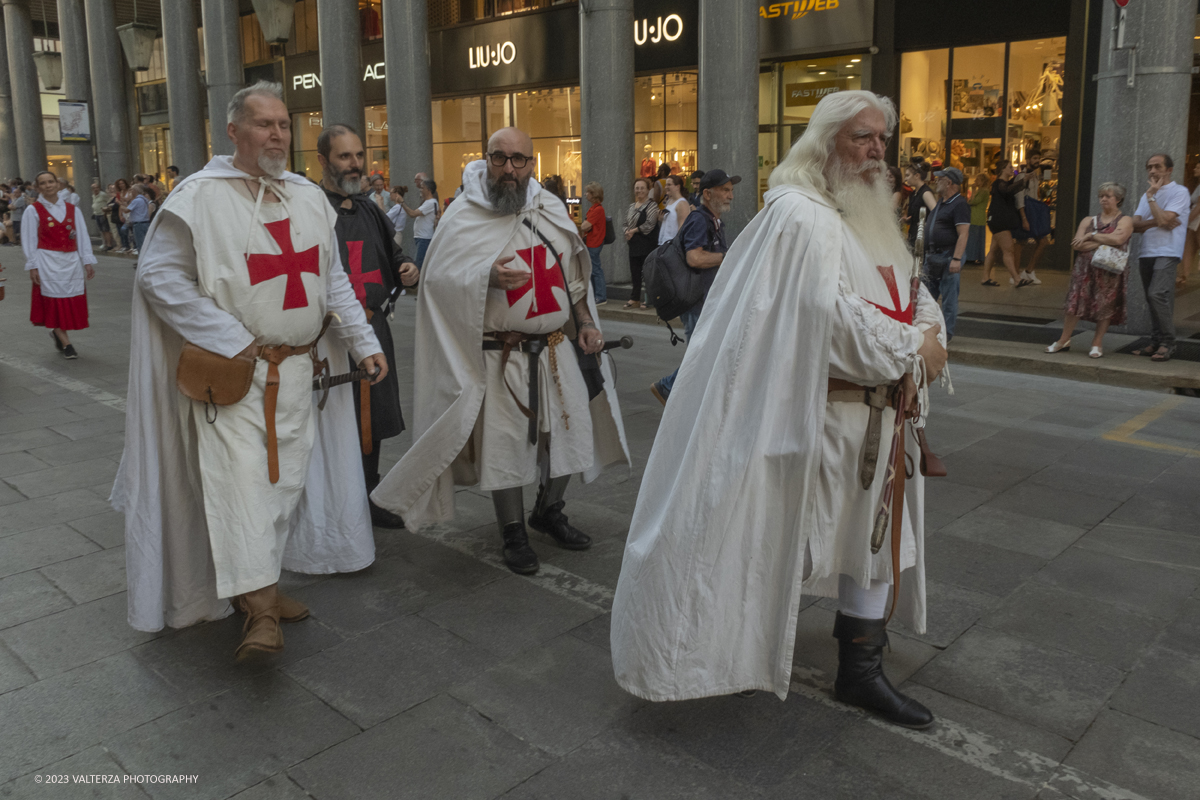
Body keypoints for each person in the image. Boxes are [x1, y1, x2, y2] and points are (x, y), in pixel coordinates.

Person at [610, 91, 948, 728]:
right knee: (780, 536)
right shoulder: (799, 215)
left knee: (871, 539)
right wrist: (914, 350)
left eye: (882, 139)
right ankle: (727, 646)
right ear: (825, 144)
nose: (877, 151)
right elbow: (831, 321)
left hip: (881, 418)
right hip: (815, 417)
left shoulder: (870, 214)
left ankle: (862, 669)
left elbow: (911, 291)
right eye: (861, 138)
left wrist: (931, 336)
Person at [112, 80, 387, 657]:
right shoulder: (198, 199)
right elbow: (158, 278)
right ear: (233, 131)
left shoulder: (306, 198)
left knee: (282, 488)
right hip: (234, 378)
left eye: (284, 124)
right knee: (241, 490)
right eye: (264, 124)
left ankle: (259, 586)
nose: (277, 134)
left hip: (298, 375)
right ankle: (260, 613)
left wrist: (362, 341)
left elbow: (331, 277)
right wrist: (233, 339)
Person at [369, 127, 629, 576]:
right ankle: (512, 530)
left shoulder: (548, 208)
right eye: (500, 158)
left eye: (519, 160)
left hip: (553, 349)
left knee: (570, 435)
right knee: (505, 445)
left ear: (533, 165)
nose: (509, 169)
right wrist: (484, 274)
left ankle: (548, 510)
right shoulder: (464, 215)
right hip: (500, 355)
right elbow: (436, 280)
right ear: (486, 159)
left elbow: (574, 278)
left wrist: (585, 322)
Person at [318, 124, 420, 526]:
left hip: (373, 328)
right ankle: (335, 501)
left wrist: (405, 268)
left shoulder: (368, 209)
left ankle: (369, 494)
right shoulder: (312, 208)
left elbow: (391, 254)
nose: (355, 164)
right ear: (324, 160)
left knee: (371, 418)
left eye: (358, 155)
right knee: (332, 418)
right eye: (345, 156)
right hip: (328, 337)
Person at [649, 169, 735, 406]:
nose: (731, 195)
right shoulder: (699, 220)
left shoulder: (714, 221)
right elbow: (694, 258)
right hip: (696, 300)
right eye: (725, 190)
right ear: (707, 193)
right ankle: (668, 387)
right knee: (702, 354)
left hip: (705, 299)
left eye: (731, 190)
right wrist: (728, 257)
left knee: (705, 352)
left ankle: (682, 394)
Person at [1046, 183, 1133, 359]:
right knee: (1074, 303)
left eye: (1108, 196)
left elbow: (1120, 238)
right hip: (1085, 268)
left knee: (1105, 305)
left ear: (1118, 199)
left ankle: (1097, 343)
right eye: (1101, 196)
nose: (1104, 199)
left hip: (1109, 270)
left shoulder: (1125, 220)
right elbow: (1078, 244)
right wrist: (1103, 240)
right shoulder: (1088, 220)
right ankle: (1064, 340)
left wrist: (1091, 236)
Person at [22, 170, 96, 359]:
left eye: (51, 182)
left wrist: (87, 260)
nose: (48, 186)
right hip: (47, 261)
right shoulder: (33, 210)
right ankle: (66, 343)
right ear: (38, 187)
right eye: (43, 183)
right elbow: (29, 239)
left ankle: (58, 332)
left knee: (69, 297)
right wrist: (33, 265)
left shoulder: (73, 209)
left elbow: (82, 236)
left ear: (57, 184)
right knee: (53, 300)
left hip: (70, 261)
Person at [1130, 152, 1189, 362]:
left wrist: (1152, 198)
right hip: (1146, 251)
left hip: (1168, 250)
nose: (1153, 171)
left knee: (1157, 294)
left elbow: (1166, 220)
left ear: (1169, 170)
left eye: (1157, 167)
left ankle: (1168, 342)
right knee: (1151, 299)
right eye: (1149, 167)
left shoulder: (1179, 192)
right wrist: (1156, 221)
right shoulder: (1144, 195)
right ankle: (1155, 341)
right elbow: (1134, 226)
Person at [923, 167, 970, 341]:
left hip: (948, 256)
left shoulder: (959, 204)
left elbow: (963, 233)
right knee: (926, 295)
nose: (935, 181)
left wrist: (956, 259)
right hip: (934, 256)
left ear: (949, 182)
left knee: (949, 297)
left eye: (939, 178)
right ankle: (927, 328)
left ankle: (947, 333)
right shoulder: (942, 203)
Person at [980, 160, 1030, 288]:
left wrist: (1023, 179)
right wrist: (1022, 181)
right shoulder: (998, 183)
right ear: (1002, 169)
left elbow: (1012, 187)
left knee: (993, 250)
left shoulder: (1004, 183)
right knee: (1008, 250)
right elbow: (1007, 190)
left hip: (996, 221)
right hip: (999, 221)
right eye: (1009, 167)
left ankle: (985, 277)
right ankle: (1016, 278)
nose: (1012, 169)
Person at [623, 177, 658, 309]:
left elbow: (650, 224)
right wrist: (626, 231)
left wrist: (633, 231)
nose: (639, 191)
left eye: (642, 188)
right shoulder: (631, 206)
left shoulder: (652, 205)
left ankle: (649, 299)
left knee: (648, 273)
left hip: (647, 244)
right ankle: (634, 298)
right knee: (635, 272)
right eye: (637, 188)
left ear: (648, 190)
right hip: (633, 244)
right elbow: (625, 223)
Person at [1014, 163, 1051, 285]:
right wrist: (1023, 217)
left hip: (1033, 213)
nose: (1037, 161)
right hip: (1025, 213)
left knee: (1043, 241)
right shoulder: (1022, 177)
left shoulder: (1035, 176)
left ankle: (1029, 270)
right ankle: (1016, 274)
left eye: (1038, 158)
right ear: (1028, 159)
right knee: (1021, 242)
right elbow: (1019, 197)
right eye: (1035, 158)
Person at [399, 178, 439, 270]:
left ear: (428, 190)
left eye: (422, 188)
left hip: (424, 238)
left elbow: (412, 213)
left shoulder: (430, 202)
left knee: (419, 265)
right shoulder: (428, 202)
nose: (420, 190)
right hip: (422, 238)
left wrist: (402, 202)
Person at [580, 181, 607, 305]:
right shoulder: (595, 209)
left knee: (595, 269)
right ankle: (595, 295)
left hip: (594, 242)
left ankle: (600, 296)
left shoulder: (597, 210)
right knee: (593, 269)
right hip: (592, 242)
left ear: (593, 194)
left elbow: (585, 225)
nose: (586, 194)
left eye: (588, 192)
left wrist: (583, 226)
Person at [902, 157, 936, 250]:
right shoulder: (914, 193)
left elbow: (936, 213)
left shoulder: (925, 193)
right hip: (914, 235)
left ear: (917, 176)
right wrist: (908, 220)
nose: (905, 179)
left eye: (908, 175)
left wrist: (925, 224)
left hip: (922, 238)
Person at [1180, 161, 1200, 286]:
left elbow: (1199, 207)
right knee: (1189, 246)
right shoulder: (1198, 185)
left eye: (1198, 167)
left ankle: (1184, 276)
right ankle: (1184, 275)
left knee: (1193, 243)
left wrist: (1187, 220)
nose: (1194, 168)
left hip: (1197, 220)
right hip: (1194, 220)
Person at [657, 174, 690, 247]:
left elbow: (682, 227)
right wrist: (661, 218)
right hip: (664, 243)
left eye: (669, 185)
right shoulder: (670, 201)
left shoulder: (682, 204)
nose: (666, 187)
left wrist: (677, 245)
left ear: (677, 187)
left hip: (673, 245)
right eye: (666, 185)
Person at [965, 173, 990, 264]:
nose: (975, 182)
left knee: (973, 238)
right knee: (976, 238)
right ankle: (976, 256)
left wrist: (973, 190)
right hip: (976, 216)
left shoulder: (983, 191)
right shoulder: (982, 191)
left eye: (977, 180)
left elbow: (973, 201)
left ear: (983, 181)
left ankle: (972, 257)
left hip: (977, 217)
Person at [125, 185, 152, 254]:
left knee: (140, 243)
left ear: (135, 191)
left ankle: (142, 260)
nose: (131, 192)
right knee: (146, 242)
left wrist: (119, 204)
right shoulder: (144, 199)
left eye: (132, 190)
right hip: (145, 222)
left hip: (138, 224)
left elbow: (126, 210)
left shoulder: (136, 200)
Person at [91, 181, 116, 251]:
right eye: (94, 188)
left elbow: (109, 201)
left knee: (106, 230)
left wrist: (106, 209)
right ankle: (105, 243)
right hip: (97, 214)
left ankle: (109, 244)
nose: (96, 189)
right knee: (102, 230)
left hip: (103, 214)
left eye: (97, 187)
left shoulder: (103, 195)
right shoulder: (93, 195)